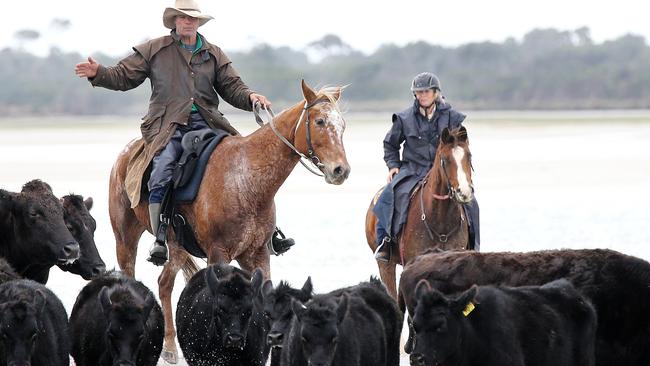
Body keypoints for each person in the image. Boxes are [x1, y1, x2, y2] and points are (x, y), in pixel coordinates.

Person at [74, 0, 278, 265]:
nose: (187, 21)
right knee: (162, 169)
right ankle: (160, 239)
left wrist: (251, 97)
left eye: (192, 18)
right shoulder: (154, 50)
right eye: (182, 17)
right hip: (167, 127)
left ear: (198, 22)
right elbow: (123, 76)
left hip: (209, 124)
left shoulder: (213, 53)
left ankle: (269, 234)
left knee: (247, 167)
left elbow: (233, 87)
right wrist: (99, 73)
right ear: (174, 21)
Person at [372, 72, 480, 262]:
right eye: (418, 92)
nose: (421, 95)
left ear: (436, 93)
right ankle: (385, 243)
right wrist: (392, 166)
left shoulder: (453, 117)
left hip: (444, 171)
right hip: (412, 170)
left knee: (471, 201)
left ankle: (474, 246)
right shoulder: (404, 118)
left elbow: (461, 146)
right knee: (388, 195)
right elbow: (390, 145)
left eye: (426, 91)